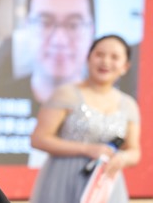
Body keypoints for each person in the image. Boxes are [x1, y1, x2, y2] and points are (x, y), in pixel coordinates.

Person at [0, 0, 95, 164]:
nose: (59, 40)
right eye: (45, 22)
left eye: (74, 25)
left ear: (91, 29)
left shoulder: (111, 105)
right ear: (28, 27)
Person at [29, 34, 141, 202]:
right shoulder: (66, 94)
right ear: (88, 58)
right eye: (99, 54)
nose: (105, 62)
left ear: (125, 66)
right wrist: (87, 149)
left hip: (106, 184)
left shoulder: (129, 104)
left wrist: (122, 158)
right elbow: (38, 139)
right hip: (63, 180)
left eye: (114, 57)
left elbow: (134, 151)